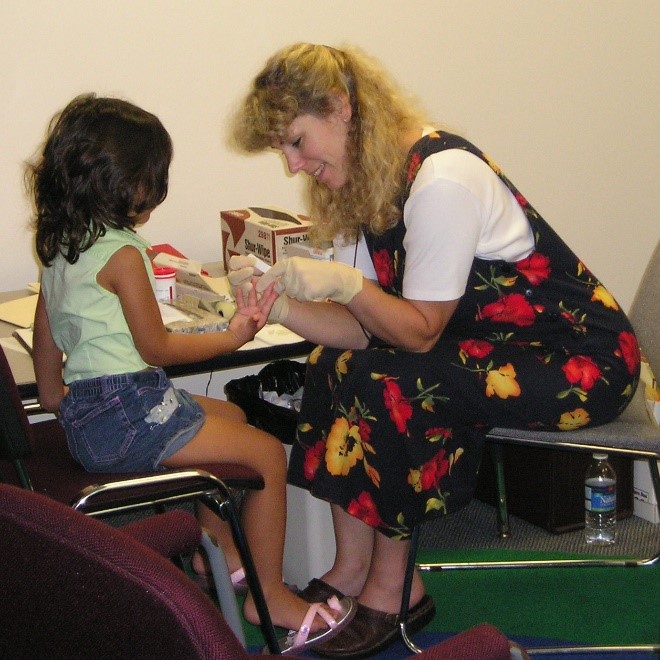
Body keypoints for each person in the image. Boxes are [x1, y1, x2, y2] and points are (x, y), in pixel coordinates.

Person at [228, 43, 641, 657]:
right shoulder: (368, 187)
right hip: (491, 350)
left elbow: (418, 332)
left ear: (340, 108)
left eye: (296, 141)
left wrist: (349, 286)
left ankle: (398, 591)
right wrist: (281, 306)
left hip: (582, 359)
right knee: (331, 366)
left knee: (392, 383)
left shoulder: (444, 178)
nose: (292, 165)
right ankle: (352, 568)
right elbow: (364, 330)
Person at [27, 93, 355, 654]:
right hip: (131, 411)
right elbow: (156, 348)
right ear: (124, 183)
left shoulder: (61, 244)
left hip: (91, 416)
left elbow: (45, 332)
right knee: (267, 457)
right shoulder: (124, 255)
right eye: (153, 178)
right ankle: (268, 594)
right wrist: (230, 337)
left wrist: (55, 394)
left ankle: (223, 554)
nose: (157, 189)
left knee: (228, 416)